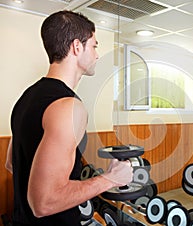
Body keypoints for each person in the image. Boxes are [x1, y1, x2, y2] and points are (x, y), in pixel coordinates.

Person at [5, 10, 133, 226]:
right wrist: (110, 179)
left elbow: (11, 163)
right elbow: (42, 203)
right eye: (94, 45)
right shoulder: (69, 107)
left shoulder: (26, 98)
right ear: (76, 47)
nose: (97, 54)